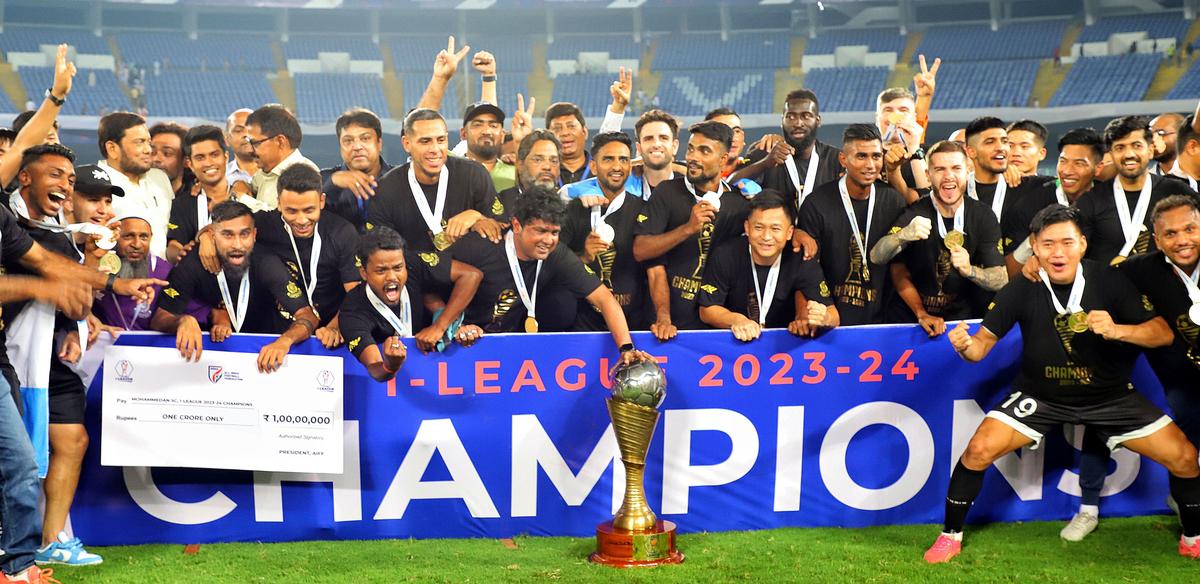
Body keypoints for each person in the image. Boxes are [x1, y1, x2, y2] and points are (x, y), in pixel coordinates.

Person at [924, 204, 1200, 563]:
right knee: (977, 451)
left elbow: (1163, 333)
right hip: (1040, 396)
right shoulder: (1022, 287)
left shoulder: (1110, 280)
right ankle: (950, 535)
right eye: (1048, 243)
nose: (1058, 252)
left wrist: (1119, 330)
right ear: (1034, 247)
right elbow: (980, 349)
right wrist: (964, 346)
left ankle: (1192, 537)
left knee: (1185, 457)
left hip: (1110, 397)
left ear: (1082, 245)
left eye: (1067, 242)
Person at [448, 185, 647, 365]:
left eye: (554, 232)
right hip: (461, 349)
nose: (548, 240)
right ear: (517, 226)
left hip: (509, 350)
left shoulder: (555, 253)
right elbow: (427, 283)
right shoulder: (479, 246)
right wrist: (453, 324)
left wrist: (626, 347)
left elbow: (604, 298)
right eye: (541, 231)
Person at [150, 200, 318, 373]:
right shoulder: (193, 263)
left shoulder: (266, 262)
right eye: (228, 235)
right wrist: (182, 321)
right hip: (209, 362)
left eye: (244, 234)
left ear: (254, 234)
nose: (237, 244)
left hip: (264, 359)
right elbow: (159, 319)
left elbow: (308, 315)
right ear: (213, 236)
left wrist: (285, 341)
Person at [870, 140, 1007, 334]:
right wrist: (902, 235)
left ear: (968, 171)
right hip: (911, 320)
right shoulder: (915, 212)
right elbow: (878, 257)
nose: (948, 176)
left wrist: (970, 270)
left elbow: (1001, 279)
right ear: (928, 175)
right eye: (940, 169)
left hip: (961, 322)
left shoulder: (982, 216)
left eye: (956, 168)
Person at [633, 121, 751, 338]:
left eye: (704, 151)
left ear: (723, 160)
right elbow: (641, 250)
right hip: (668, 326)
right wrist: (688, 228)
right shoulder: (667, 193)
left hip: (720, 327)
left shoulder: (739, 204)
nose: (693, 157)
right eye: (691, 149)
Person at [339, 226, 485, 382]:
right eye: (381, 271)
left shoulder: (413, 264)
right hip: (386, 396)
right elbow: (376, 370)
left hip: (434, 376)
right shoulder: (353, 310)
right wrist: (391, 365)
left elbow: (471, 276)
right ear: (364, 273)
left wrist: (440, 326)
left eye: (398, 268)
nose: (392, 277)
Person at [799, 124, 907, 325]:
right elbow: (807, 267)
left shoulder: (893, 201)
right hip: (830, 322)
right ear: (843, 159)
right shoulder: (817, 203)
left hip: (883, 323)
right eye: (861, 156)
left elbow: (901, 265)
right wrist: (825, 311)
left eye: (876, 156)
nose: (870, 165)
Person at [245, 165, 361, 346]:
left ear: (322, 201)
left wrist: (335, 327)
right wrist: (206, 237)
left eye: (309, 210)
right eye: (291, 211)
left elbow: (356, 292)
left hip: (329, 336)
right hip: (276, 334)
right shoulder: (263, 224)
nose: (301, 220)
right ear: (279, 204)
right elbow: (224, 227)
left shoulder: (342, 233)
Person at [699, 191, 837, 340]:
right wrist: (736, 320)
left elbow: (833, 315)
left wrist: (824, 318)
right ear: (747, 228)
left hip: (784, 347)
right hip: (738, 344)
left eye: (775, 229)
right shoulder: (726, 255)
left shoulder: (801, 258)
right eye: (758, 227)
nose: (766, 237)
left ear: (790, 232)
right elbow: (706, 310)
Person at [366, 108, 499, 252]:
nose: (435, 149)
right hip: (414, 273)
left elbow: (501, 228)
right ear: (406, 144)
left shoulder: (474, 174)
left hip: (474, 267)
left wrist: (478, 217)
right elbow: (381, 253)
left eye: (441, 140)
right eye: (425, 141)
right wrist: (444, 267)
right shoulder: (385, 191)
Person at [1073, 115, 1199, 265]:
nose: (1129, 154)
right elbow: (1072, 249)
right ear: (1111, 154)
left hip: (1167, 287)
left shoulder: (1177, 191)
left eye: (1137, 145)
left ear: (1151, 150)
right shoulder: (1090, 201)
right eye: (1120, 148)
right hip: (1111, 287)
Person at [559, 132, 647, 331]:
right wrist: (583, 256)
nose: (617, 166)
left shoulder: (643, 209)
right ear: (593, 166)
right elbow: (551, 266)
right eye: (608, 159)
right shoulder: (574, 209)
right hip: (580, 325)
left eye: (623, 159)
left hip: (632, 323)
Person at [732, 89, 844, 218]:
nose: (798, 123)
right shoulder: (766, 153)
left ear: (818, 121)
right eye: (790, 116)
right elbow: (729, 183)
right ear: (782, 121)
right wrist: (765, 163)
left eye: (806, 116)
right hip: (774, 236)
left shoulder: (836, 159)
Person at [97, 111, 174, 257]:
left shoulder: (160, 179)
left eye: (148, 142)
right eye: (139, 142)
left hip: (163, 275)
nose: (148, 150)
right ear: (112, 148)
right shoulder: (93, 186)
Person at [93, 214, 174, 331]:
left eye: (144, 237)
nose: (136, 244)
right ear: (114, 237)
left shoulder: (166, 272)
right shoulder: (97, 266)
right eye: (128, 236)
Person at [167, 125, 231, 264]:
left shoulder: (246, 197)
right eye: (200, 157)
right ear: (190, 164)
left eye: (214, 155)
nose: (208, 163)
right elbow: (173, 245)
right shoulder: (180, 205)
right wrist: (181, 253)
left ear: (226, 157)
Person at [321, 108, 392, 232]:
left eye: (365, 138)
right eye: (348, 141)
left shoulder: (400, 179)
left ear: (379, 143)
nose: (357, 147)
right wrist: (332, 186)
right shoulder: (321, 180)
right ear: (340, 146)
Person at [245, 104, 318, 211]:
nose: (249, 150)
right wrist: (241, 184)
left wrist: (242, 197)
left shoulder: (305, 175)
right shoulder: (265, 172)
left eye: (255, 143)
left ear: (280, 141)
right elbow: (250, 186)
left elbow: (282, 220)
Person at [491, 129, 561, 223]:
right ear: (520, 165)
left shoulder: (566, 200)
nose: (547, 167)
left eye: (554, 161)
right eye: (538, 160)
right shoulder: (502, 203)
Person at [149, 121, 191, 197]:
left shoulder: (200, 202)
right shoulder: (132, 197)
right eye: (152, 152)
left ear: (186, 161)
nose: (156, 159)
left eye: (167, 153)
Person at [703, 107, 748, 179]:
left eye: (736, 131)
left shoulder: (758, 169)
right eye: (723, 131)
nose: (733, 138)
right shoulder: (691, 175)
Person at [224, 108, 258, 186]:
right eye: (238, 130)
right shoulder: (221, 177)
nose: (246, 134)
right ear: (227, 140)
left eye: (251, 128)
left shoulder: (279, 172)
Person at [1149, 112, 1185, 176]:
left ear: (1181, 135)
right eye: (1150, 135)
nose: (1153, 139)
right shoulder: (1145, 178)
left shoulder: (1194, 174)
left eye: (1160, 133)